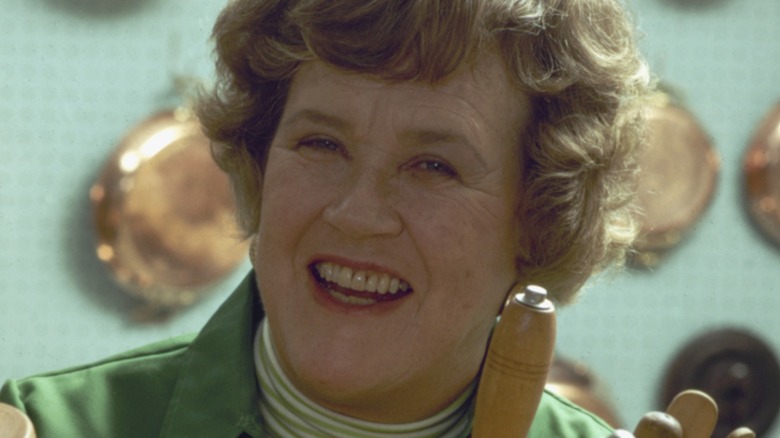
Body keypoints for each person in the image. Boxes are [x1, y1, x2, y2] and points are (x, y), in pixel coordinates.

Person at [0, 0, 651, 436]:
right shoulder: (48, 426)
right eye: (321, 144)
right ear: (258, 164)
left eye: (432, 167)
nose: (357, 214)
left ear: (539, 218)